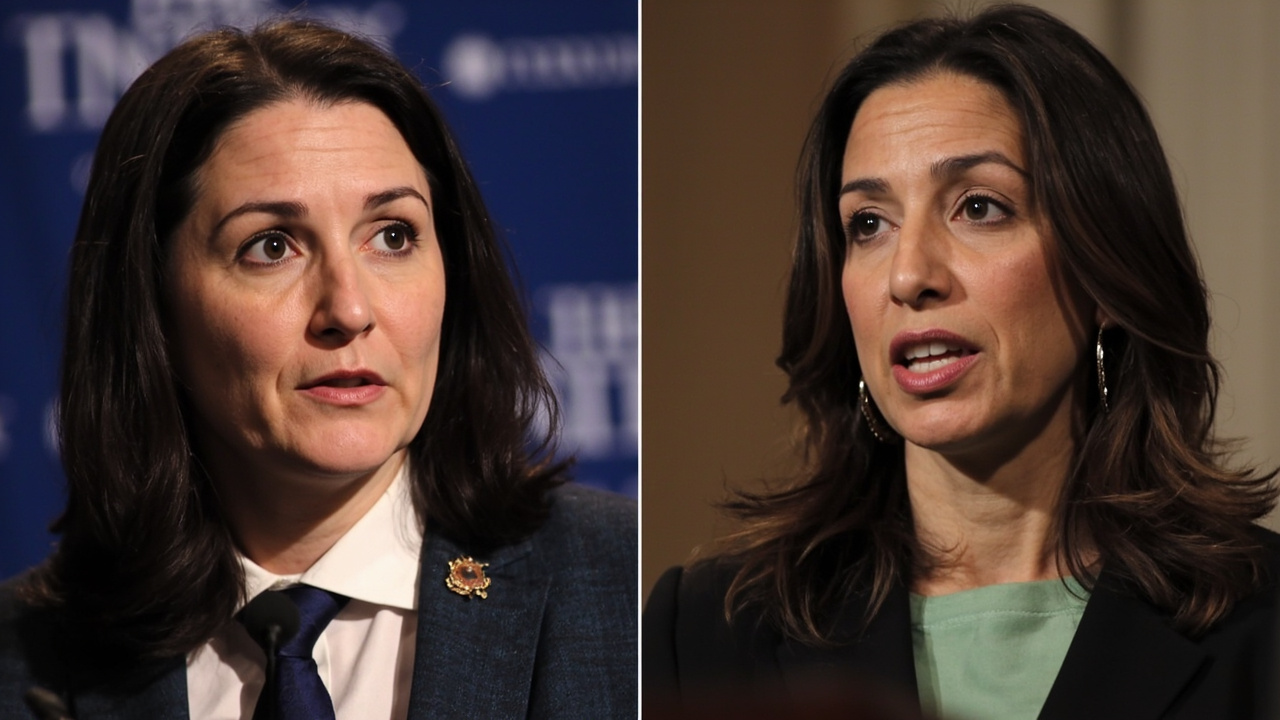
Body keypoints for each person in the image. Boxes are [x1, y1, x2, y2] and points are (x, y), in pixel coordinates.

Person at [644, 5, 1279, 719]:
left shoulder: (1262, 628)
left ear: (1106, 271)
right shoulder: (706, 633)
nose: (908, 275)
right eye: (869, 224)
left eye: (979, 207)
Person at [0, 19, 636, 720]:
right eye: (272, 246)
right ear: (151, 302)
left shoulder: (625, 590)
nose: (350, 309)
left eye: (392, 235)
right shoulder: (24, 663)